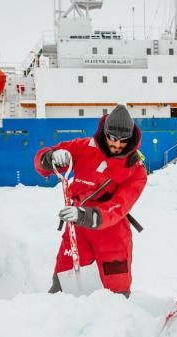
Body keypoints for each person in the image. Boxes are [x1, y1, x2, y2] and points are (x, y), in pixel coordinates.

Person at [34, 104, 147, 297]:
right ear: (105, 133)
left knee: (116, 290)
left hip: (111, 231)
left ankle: (118, 322)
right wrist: (50, 156)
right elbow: (42, 164)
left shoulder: (136, 170)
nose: (117, 144)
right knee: (63, 281)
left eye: (123, 141)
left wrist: (88, 216)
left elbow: (120, 206)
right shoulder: (83, 147)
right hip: (77, 228)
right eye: (113, 138)